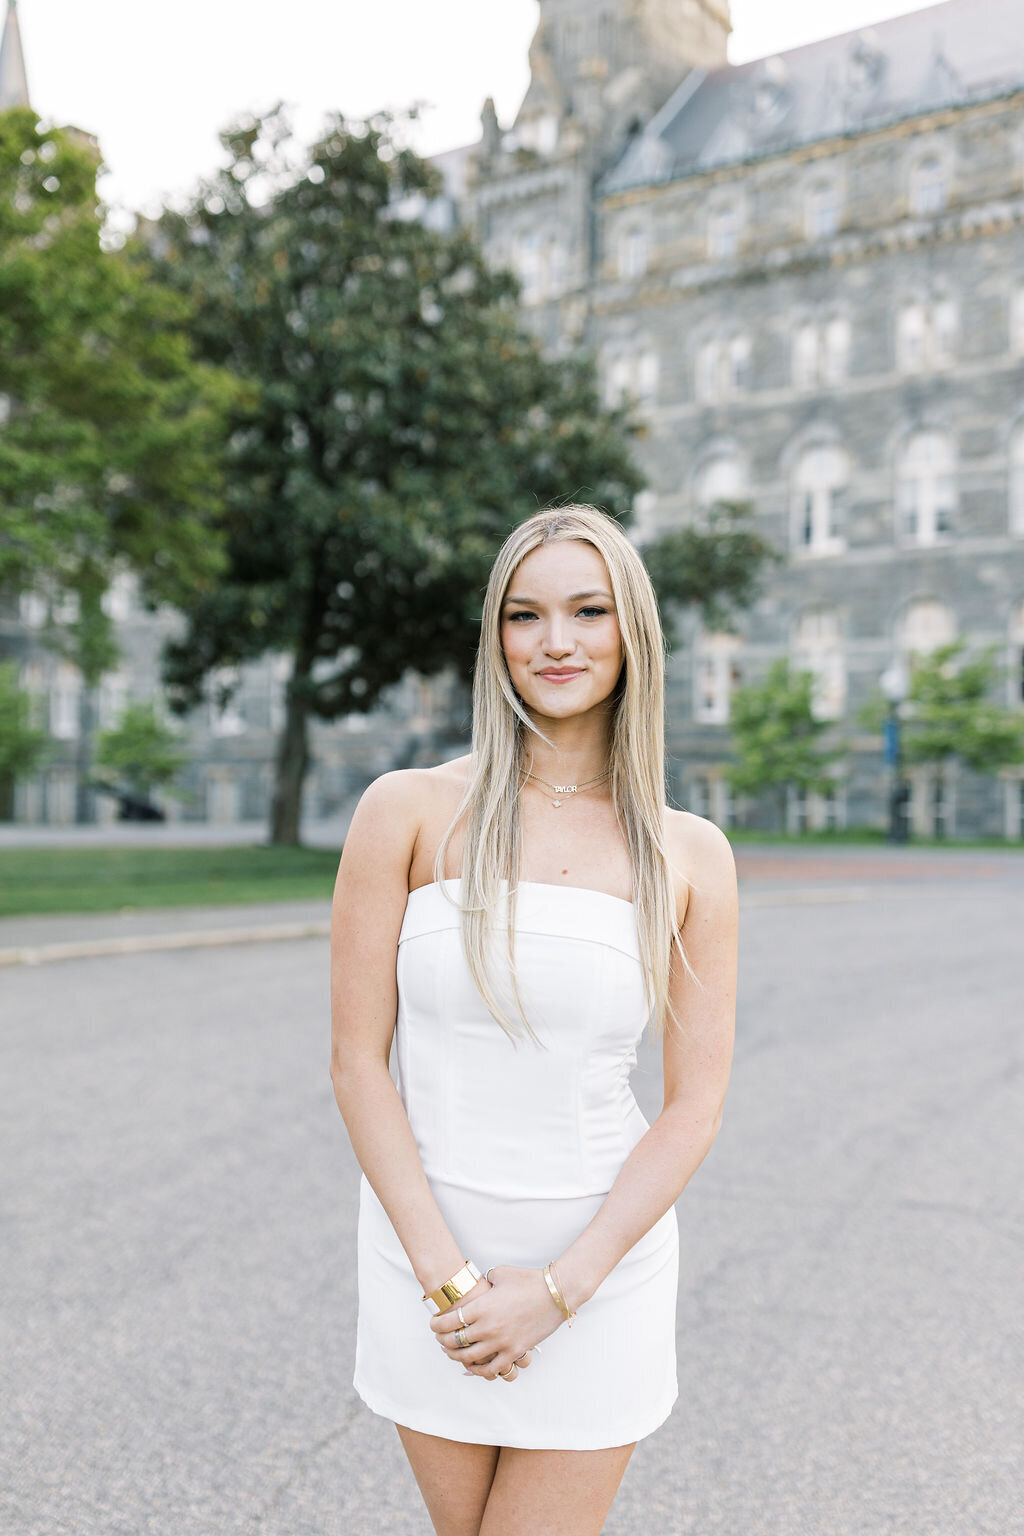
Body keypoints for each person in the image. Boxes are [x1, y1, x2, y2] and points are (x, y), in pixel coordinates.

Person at [329, 505, 738, 1536]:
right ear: (495, 637)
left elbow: (692, 1108)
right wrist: (447, 1283)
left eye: (587, 611)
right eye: (526, 615)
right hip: (427, 1259)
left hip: (598, 1266)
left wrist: (558, 1290)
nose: (555, 642)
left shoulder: (688, 854)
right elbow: (356, 1065)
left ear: (629, 632)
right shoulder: (407, 812)